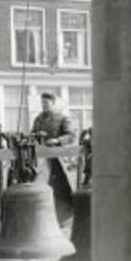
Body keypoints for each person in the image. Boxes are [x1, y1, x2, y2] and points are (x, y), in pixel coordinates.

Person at [32, 92, 76, 227]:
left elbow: (71, 136)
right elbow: (33, 135)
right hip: (41, 161)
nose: (44, 105)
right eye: (42, 103)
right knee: (41, 189)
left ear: (53, 103)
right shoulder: (38, 119)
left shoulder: (62, 118)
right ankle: (44, 221)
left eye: (46, 103)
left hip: (59, 161)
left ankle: (63, 220)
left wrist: (57, 140)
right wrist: (35, 137)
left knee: (60, 190)